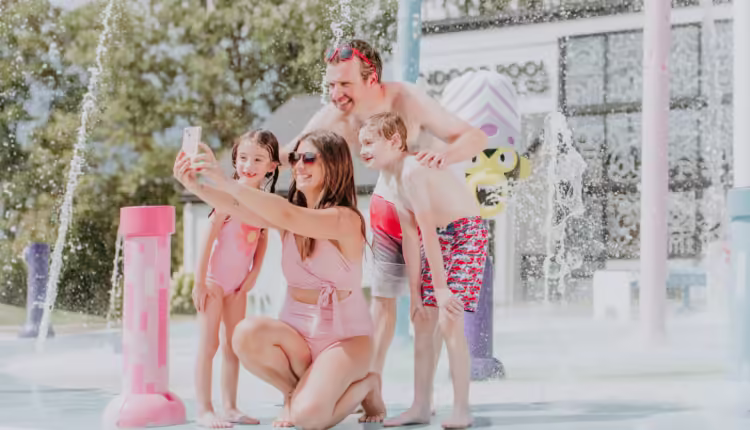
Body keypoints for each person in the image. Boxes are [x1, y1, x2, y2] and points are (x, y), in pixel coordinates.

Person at [278, 39, 488, 382]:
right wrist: (242, 167)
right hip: (391, 211)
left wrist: (444, 157)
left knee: (432, 312)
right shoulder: (336, 116)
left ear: (372, 78)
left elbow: (475, 137)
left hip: (432, 217)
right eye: (331, 85)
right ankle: (368, 386)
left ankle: (426, 396)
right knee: (381, 305)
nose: (336, 94)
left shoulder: (407, 100)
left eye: (345, 84)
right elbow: (287, 155)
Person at [173, 130, 387, 430]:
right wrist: (194, 184)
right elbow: (233, 207)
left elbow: (287, 215)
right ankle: (293, 392)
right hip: (298, 338)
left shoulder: (345, 219)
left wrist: (225, 181)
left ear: (334, 164)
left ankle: (367, 386)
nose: (299, 165)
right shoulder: (291, 217)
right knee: (244, 334)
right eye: (295, 157)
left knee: (308, 419)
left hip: (344, 339)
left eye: (309, 158)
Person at [359, 112, 488, 429]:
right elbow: (411, 237)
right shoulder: (392, 178)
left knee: (449, 320)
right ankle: (419, 406)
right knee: (423, 322)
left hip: (466, 235)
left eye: (369, 142)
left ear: (394, 141)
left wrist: (441, 290)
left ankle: (461, 409)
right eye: (360, 144)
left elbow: (427, 228)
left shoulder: (413, 170)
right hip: (438, 239)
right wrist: (416, 295)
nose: (362, 150)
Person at [192, 130, 280, 428]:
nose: (248, 165)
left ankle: (229, 407)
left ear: (272, 166)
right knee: (209, 347)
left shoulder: (264, 201)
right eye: (242, 158)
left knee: (232, 347)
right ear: (234, 160)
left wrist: (254, 274)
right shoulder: (227, 196)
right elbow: (209, 236)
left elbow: (263, 236)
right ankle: (204, 409)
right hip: (214, 282)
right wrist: (199, 282)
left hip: (238, 286)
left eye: (257, 159)